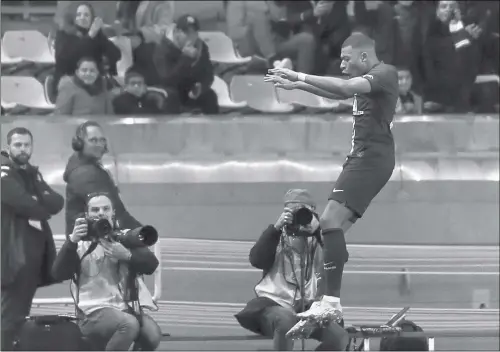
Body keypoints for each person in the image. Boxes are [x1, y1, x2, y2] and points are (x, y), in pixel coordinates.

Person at [264, 32, 398, 324]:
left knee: (327, 222)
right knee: (329, 232)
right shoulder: (367, 82)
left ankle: (331, 303)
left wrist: (300, 73)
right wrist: (299, 85)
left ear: (364, 57)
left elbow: (344, 87)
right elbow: (340, 91)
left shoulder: (384, 74)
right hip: (364, 159)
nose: (341, 65)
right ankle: (324, 300)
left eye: (346, 59)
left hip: (370, 159)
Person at [235, 189, 348, 351]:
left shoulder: (320, 238)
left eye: (302, 210)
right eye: (292, 210)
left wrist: (319, 231)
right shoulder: (276, 236)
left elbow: (341, 257)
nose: (298, 216)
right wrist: (275, 229)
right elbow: (256, 260)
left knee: (339, 336)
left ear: (313, 212)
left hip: (309, 309)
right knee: (286, 320)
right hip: (273, 306)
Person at [51, 192, 161, 351]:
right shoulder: (80, 244)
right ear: (87, 214)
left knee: (153, 335)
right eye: (95, 210)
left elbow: (151, 265)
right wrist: (72, 241)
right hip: (92, 313)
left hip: (126, 308)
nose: (101, 212)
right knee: (128, 324)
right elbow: (58, 273)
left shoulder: (124, 239)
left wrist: (127, 255)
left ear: (112, 213)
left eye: (105, 208)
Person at [1, 127, 64, 351]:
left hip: (30, 257)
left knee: (18, 316)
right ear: (8, 146)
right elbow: (20, 200)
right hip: (13, 257)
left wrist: (36, 199)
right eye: (18, 145)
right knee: (9, 316)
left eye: (27, 145)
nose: (23, 149)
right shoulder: (3, 171)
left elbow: (57, 201)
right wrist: (38, 202)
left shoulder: (32, 173)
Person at [64, 120, 142, 237]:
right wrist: (141, 233)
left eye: (102, 140)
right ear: (79, 144)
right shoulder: (86, 174)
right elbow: (115, 212)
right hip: (91, 243)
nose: (99, 144)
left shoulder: (85, 165)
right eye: (93, 140)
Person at [153, 14, 219, 114]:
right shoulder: (163, 49)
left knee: (210, 95)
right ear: (176, 33)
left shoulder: (201, 47)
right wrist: (185, 58)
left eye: (194, 33)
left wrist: (201, 86)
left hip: (189, 90)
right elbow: (167, 79)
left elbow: (208, 73)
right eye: (187, 33)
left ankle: (213, 128)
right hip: (168, 89)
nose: (191, 37)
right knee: (172, 96)